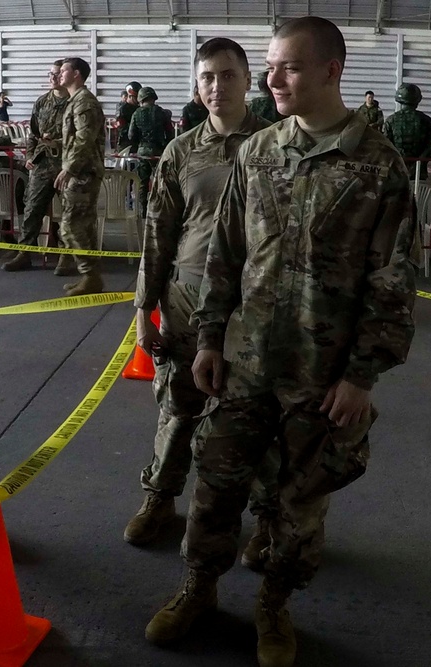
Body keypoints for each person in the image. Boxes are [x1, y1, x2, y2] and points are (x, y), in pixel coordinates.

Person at [145, 18, 418, 667]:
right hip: (245, 358)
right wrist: (209, 336)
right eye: (269, 66)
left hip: (321, 374)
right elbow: (225, 254)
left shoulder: (379, 166)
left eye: (289, 67)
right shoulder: (258, 150)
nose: (272, 79)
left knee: (298, 504)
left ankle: (273, 601)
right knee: (215, 480)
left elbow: (394, 277)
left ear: (331, 70)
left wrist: (361, 373)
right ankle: (200, 587)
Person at [127, 38, 278, 558]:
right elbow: (157, 234)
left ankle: (266, 519)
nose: (217, 87)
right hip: (186, 299)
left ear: (248, 80)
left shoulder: (276, 143)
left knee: (257, 415)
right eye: (208, 77)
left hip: (252, 305)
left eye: (228, 75)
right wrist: (144, 310)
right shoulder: (180, 151)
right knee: (177, 407)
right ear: (197, 84)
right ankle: (160, 498)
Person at [2, 59, 72, 274]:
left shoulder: (75, 103)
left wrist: (57, 142)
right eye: (50, 73)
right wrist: (30, 155)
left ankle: (66, 256)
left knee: (70, 212)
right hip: (43, 164)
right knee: (32, 208)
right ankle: (25, 253)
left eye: (57, 74)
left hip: (66, 164)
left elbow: (82, 137)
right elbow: (32, 133)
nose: (52, 77)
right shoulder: (42, 102)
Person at [54, 57, 106, 297]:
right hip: (79, 171)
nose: (58, 74)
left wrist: (70, 168)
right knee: (83, 225)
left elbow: (84, 139)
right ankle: (90, 277)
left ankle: (89, 274)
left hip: (83, 173)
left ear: (76, 74)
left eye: (63, 70)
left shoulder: (84, 102)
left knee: (70, 226)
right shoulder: (74, 101)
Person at [128, 86, 171, 218]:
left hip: (143, 152)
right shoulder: (162, 113)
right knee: (161, 181)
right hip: (159, 152)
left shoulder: (136, 114)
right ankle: (161, 209)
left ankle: (143, 211)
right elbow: (169, 132)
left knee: (143, 182)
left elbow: (131, 135)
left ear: (141, 99)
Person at [382, 83, 431, 178]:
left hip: (396, 172)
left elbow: (386, 147)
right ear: (418, 99)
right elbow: (430, 147)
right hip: (419, 173)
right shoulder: (426, 120)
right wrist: (417, 166)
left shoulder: (391, 120)